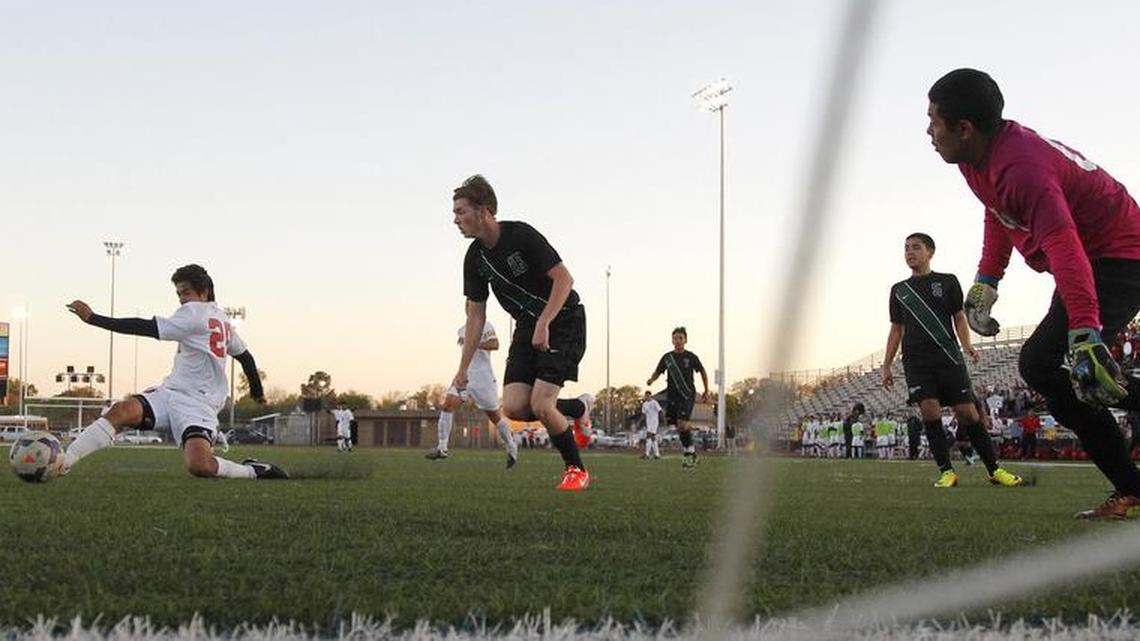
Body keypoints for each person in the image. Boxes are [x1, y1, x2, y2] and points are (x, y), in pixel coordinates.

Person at [928, 68, 1140, 517]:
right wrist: (988, 278)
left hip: (1120, 256)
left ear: (964, 129)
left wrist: (1085, 332)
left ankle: (1132, 488)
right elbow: (997, 212)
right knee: (1064, 376)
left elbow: (1064, 244)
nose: (929, 131)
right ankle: (1131, 488)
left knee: (1046, 365)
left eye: (934, 121)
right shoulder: (976, 159)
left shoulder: (1021, 167)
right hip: (1094, 255)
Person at [63, 264, 287, 479]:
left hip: (198, 404)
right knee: (121, 411)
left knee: (201, 466)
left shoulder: (193, 313)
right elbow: (246, 358)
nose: (181, 299)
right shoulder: (222, 319)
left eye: (186, 292)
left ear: (204, 291)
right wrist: (257, 392)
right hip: (170, 393)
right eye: (179, 293)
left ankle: (253, 471)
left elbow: (146, 327)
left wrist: (93, 318)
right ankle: (63, 461)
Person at [451, 175, 591, 491]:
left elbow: (564, 279)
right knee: (514, 407)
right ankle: (579, 408)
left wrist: (544, 322)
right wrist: (462, 369)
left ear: (483, 210)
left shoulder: (521, 235)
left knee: (541, 404)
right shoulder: (474, 259)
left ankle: (576, 471)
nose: (455, 220)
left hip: (564, 319)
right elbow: (476, 315)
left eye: (461, 212)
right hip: (528, 326)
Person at [882, 232, 1022, 488]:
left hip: (947, 355)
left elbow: (958, 316)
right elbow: (896, 329)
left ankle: (994, 470)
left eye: (916, 247)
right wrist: (887, 364)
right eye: (906, 249)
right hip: (916, 360)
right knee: (929, 409)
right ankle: (946, 471)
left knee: (967, 413)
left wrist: (966, 344)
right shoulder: (899, 290)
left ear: (930, 252)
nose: (910, 253)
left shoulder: (947, 282)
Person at [426, 319, 521, 469]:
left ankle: (511, 445)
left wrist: (472, 343)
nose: (469, 306)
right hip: (465, 374)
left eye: (471, 303)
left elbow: (495, 344)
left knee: (494, 416)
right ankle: (442, 447)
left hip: (483, 377)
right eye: (467, 304)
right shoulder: (462, 329)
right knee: (448, 405)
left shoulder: (486, 325)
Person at [647, 327, 710, 469]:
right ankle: (691, 453)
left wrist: (706, 390)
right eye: (675, 338)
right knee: (678, 426)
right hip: (672, 396)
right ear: (672, 340)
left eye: (680, 338)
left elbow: (702, 371)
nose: (678, 341)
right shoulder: (667, 358)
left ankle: (689, 456)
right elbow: (658, 372)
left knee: (682, 423)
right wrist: (651, 380)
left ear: (685, 340)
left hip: (687, 394)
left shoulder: (691, 357)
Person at [641, 391, 663, 460]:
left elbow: (660, 411)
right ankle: (657, 454)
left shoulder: (654, 402)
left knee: (648, 436)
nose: (647, 397)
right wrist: (640, 422)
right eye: (646, 396)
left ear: (651, 396)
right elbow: (643, 414)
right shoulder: (644, 404)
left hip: (654, 422)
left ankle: (647, 454)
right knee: (653, 438)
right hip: (648, 423)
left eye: (648, 396)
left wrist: (663, 420)